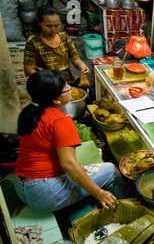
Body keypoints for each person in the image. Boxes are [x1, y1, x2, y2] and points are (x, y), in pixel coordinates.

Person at [13, 70, 130, 211]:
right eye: (67, 88)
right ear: (56, 100)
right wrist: (99, 193)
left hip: (21, 185)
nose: (70, 89)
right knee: (111, 170)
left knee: (85, 165)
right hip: (44, 192)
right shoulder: (61, 121)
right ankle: (127, 205)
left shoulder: (29, 112)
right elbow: (68, 164)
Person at [23, 5, 95, 102]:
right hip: (49, 84)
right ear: (39, 22)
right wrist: (48, 80)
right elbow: (28, 70)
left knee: (91, 93)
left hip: (68, 80)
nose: (53, 29)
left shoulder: (64, 37)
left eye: (57, 26)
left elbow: (75, 59)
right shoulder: (33, 41)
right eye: (49, 26)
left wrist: (82, 66)